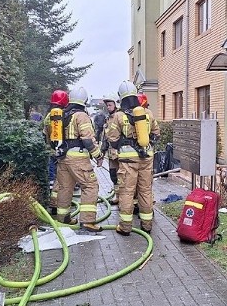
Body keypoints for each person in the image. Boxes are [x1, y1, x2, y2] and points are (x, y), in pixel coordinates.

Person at [106, 81, 160, 235]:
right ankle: (147, 225)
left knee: (127, 192)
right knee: (145, 191)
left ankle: (125, 227)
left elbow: (113, 140)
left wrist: (125, 143)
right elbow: (156, 134)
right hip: (147, 158)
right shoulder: (147, 113)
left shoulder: (118, 116)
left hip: (128, 161)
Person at [51, 87, 104, 232]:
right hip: (78, 159)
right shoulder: (81, 115)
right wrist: (98, 155)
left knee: (64, 187)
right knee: (90, 186)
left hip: (62, 157)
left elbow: (47, 134)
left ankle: (63, 219)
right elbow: (87, 140)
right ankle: (87, 222)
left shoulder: (61, 114)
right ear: (85, 100)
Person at [43, 90, 69, 191]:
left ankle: (51, 183)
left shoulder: (48, 116)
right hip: (63, 149)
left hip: (51, 148)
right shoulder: (65, 114)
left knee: (51, 166)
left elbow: (44, 133)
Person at [100, 93, 120, 205]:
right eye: (107, 105)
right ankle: (117, 196)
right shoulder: (108, 119)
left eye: (110, 105)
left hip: (122, 154)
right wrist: (102, 152)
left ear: (116, 104)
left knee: (123, 177)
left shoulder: (121, 117)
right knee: (114, 176)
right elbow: (104, 136)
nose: (108, 107)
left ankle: (126, 199)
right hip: (112, 154)